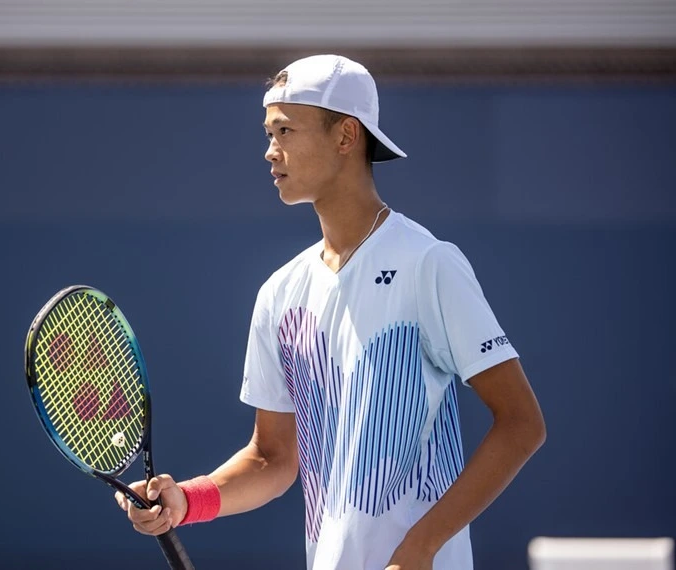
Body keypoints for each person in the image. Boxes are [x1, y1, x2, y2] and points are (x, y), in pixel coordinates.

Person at [115, 54, 546, 570]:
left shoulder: (428, 264)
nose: (270, 152)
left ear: (346, 136)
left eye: (286, 131)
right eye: (269, 133)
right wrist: (189, 500)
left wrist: (421, 547)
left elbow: (522, 423)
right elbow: (272, 458)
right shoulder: (280, 292)